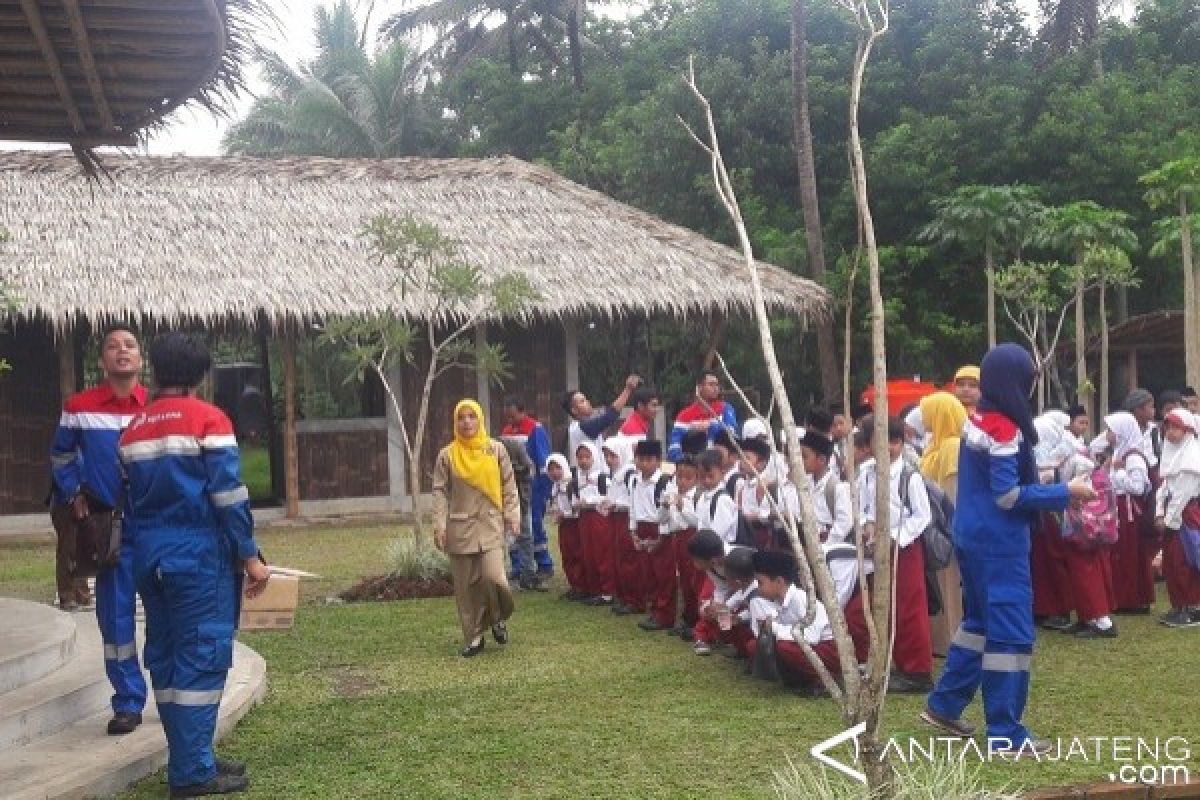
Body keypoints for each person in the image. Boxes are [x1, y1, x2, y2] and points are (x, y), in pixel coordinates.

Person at [119, 332, 269, 797]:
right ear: (203, 375)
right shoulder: (209, 419)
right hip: (199, 559)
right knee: (202, 662)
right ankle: (192, 774)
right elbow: (228, 495)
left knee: (165, 660)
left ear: (155, 372)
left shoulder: (133, 429)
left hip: (149, 558)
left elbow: (130, 499)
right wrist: (250, 555)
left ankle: (193, 758)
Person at [923, 344, 1093, 755]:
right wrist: (1063, 493)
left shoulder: (977, 421)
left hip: (972, 536)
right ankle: (1006, 731)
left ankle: (945, 704)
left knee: (979, 624)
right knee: (1012, 637)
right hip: (999, 544)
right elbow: (1007, 494)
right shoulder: (1003, 429)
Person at [49, 323, 148, 735]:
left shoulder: (159, 406)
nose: (122, 351)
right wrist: (73, 493)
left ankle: (170, 692)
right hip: (108, 528)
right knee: (116, 619)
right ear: (102, 360)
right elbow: (60, 455)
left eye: (130, 345)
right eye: (112, 346)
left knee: (166, 616)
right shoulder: (80, 406)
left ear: (141, 358)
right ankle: (127, 701)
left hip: (157, 528)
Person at [432, 399, 521, 658]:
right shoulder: (447, 455)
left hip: (491, 524)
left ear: (480, 419)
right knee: (465, 587)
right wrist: (439, 525)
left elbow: (508, 484)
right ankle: (474, 637)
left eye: (472, 416)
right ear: (456, 422)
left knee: (493, 578)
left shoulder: (495, 450)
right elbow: (440, 492)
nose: (467, 422)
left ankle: (496, 616)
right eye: (462, 417)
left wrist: (512, 515)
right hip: (459, 527)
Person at [858, 417, 935, 694]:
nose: (888, 448)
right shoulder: (866, 473)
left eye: (894, 442)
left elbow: (922, 516)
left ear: (902, 443)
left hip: (906, 548)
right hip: (876, 547)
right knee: (883, 605)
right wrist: (867, 524)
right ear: (868, 445)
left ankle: (918, 672)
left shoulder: (909, 477)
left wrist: (896, 538)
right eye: (881, 442)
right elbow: (864, 507)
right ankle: (895, 663)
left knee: (909, 607)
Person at [745, 549, 838, 690]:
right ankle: (797, 679)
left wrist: (773, 627)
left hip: (828, 649)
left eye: (760, 582)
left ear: (779, 581)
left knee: (785, 647)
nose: (758, 587)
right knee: (754, 646)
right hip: (810, 648)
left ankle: (826, 679)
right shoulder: (778, 601)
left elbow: (811, 637)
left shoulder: (799, 598)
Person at [918, 391, 967, 656]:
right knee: (937, 583)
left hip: (945, 526)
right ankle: (938, 639)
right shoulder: (934, 446)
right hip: (932, 524)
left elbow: (952, 492)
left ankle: (949, 639)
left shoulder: (952, 447)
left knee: (947, 583)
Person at [1105, 410, 1157, 614]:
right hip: (1121, 511)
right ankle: (1126, 597)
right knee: (1123, 554)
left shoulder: (1133, 457)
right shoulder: (1120, 452)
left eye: (1110, 429)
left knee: (1129, 554)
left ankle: (1132, 599)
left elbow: (1138, 487)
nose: (1107, 434)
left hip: (1130, 514)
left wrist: (1117, 473)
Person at [1154, 409, 1200, 627]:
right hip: (1173, 515)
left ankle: (1190, 606)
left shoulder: (1191, 458)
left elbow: (1182, 494)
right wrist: (1159, 513)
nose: (1170, 433)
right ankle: (1178, 605)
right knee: (1172, 562)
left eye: (1175, 427)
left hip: (1185, 516)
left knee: (1184, 561)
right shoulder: (1171, 454)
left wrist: (1169, 519)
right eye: (1168, 427)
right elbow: (1164, 487)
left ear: (1187, 430)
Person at [501, 397, 555, 580]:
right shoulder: (506, 432)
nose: (510, 420)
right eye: (507, 417)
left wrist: (545, 488)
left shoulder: (535, 429)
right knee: (514, 527)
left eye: (513, 416)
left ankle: (544, 563)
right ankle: (518, 565)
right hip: (512, 486)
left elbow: (542, 461)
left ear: (522, 411)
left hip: (533, 485)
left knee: (535, 525)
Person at [627, 440, 674, 632]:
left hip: (660, 529)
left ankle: (665, 615)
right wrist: (633, 532)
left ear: (658, 461)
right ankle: (654, 610)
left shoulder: (664, 481)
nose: (644, 463)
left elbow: (667, 513)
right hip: (642, 528)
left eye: (649, 459)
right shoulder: (635, 480)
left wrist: (660, 539)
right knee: (648, 574)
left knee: (663, 575)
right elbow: (632, 507)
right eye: (641, 459)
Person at [689, 535, 757, 657]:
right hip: (738, 592)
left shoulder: (739, 559)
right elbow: (721, 587)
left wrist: (727, 606)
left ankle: (750, 649)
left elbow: (751, 589)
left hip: (754, 595)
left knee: (739, 614)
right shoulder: (711, 565)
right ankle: (736, 645)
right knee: (711, 610)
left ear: (712, 560)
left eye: (696, 560)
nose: (694, 564)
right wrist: (718, 606)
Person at [498, 434, 543, 592]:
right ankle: (498, 578)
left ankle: (528, 575)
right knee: (498, 540)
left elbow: (528, 468)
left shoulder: (515, 446)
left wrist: (510, 468)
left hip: (519, 499)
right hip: (495, 502)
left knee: (525, 536)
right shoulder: (489, 449)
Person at [563, 374, 641, 466]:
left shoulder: (574, 427)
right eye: (582, 401)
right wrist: (628, 389)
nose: (587, 402)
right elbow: (610, 416)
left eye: (586, 399)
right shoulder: (583, 427)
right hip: (595, 478)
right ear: (574, 410)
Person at [602, 436, 640, 615]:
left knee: (629, 559)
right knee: (619, 557)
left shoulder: (629, 473)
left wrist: (616, 504)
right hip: (616, 519)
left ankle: (633, 599)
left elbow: (632, 500)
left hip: (626, 519)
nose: (609, 460)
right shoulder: (617, 473)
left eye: (613, 455)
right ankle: (624, 596)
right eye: (607, 456)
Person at [574, 441, 614, 606]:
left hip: (598, 518)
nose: (583, 461)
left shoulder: (601, 476)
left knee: (602, 553)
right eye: (580, 457)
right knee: (588, 553)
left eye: (587, 457)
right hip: (584, 518)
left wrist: (589, 500)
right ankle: (594, 588)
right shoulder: (579, 477)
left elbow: (607, 497)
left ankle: (607, 591)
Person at [668, 369, 739, 462]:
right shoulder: (684, 415)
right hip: (694, 464)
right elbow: (674, 445)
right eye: (711, 384)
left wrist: (711, 426)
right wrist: (685, 460)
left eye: (717, 385)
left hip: (720, 463)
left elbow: (732, 432)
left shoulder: (725, 408)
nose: (716, 388)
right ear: (699, 387)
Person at [545, 454, 584, 600]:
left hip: (573, 525)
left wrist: (564, 514)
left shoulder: (570, 485)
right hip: (564, 525)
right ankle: (573, 585)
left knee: (576, 554)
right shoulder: (555, 487)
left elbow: (576, 509)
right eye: (551, 469)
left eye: (557, 468)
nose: (554, 472)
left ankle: (581, 586)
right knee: (566, 554)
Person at [695, 448, 739, 545]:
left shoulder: (723, 499)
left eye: (711, 476)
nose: (706, 481)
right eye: (702, 477)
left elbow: (717, 534)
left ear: (722, 473)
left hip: (719, 551)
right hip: (705, 548)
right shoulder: (703, 497)